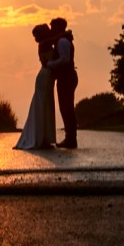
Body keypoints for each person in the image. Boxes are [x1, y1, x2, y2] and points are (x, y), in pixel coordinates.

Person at [14, 23, 57, 150]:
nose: (35, 39)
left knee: (45, 105)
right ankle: (40, 137)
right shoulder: (44, 44)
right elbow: (54, 40)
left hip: (46, 77)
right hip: (45, 76)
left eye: (36, 35)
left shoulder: (46, 43)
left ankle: (43, 137)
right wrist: (65, 34)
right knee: (42, 105)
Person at [47, 16, 78, 148]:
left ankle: (71, 139)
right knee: (66, 107)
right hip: (65, 77)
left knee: (67, 108)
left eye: (53, 28)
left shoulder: (62, 42)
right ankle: (70, 138)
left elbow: (64, 59)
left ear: (59, 28)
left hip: (67, 77)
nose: (51, 30)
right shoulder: (62, 40)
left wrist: (50, 64)